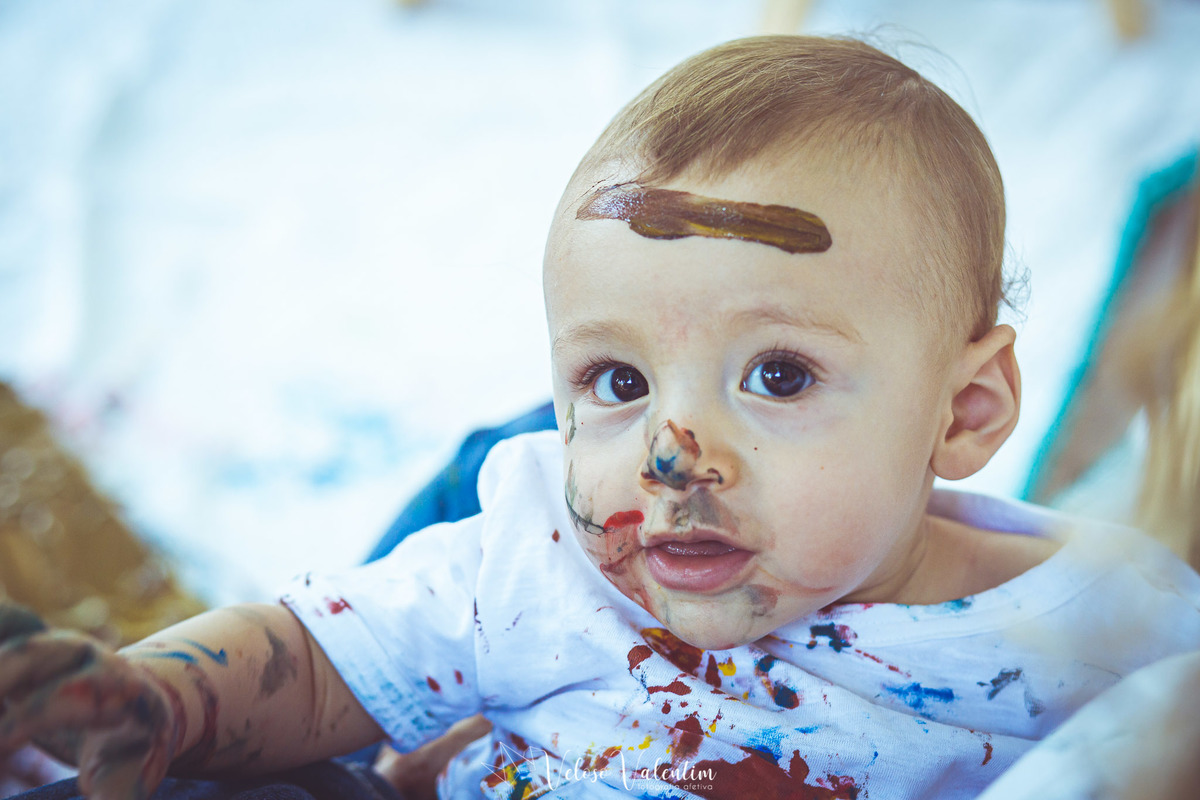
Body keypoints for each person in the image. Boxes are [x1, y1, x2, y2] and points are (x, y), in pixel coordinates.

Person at [2, 35, 1199, 800]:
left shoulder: (1104, 632)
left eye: (777, 375)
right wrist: (161, 703)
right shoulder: (544, 556)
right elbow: (325, 663)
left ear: (968, 409)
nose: (674, 457)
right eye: (617, 382)